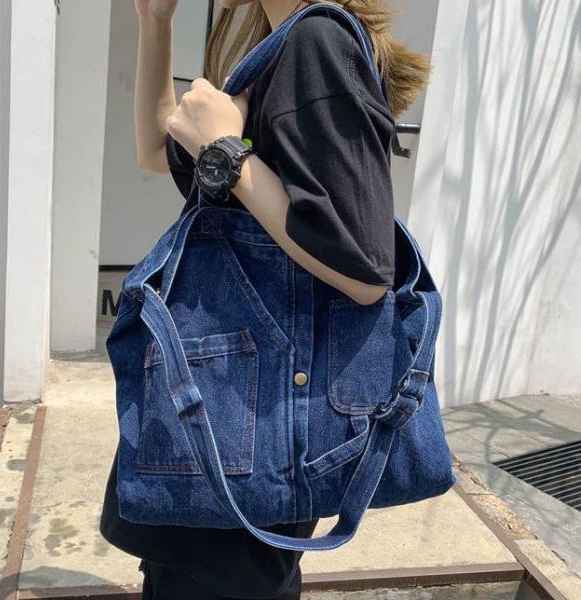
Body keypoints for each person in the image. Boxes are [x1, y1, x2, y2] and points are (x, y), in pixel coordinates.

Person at [99, 0, 431, 597]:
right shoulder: (279, 54)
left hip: (254, 418)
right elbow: (154, 150)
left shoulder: (316, 44)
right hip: (244, 413)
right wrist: (155, 22)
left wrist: (228, 150)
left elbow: (362, 267)